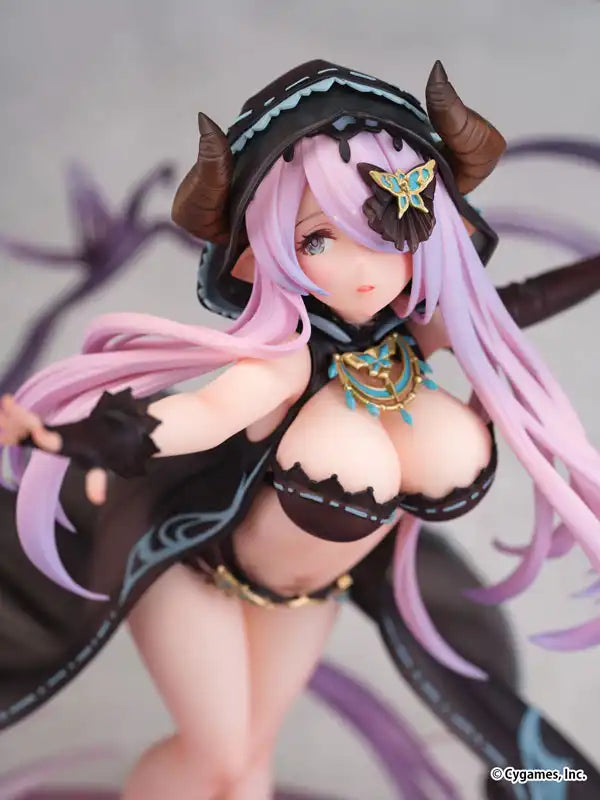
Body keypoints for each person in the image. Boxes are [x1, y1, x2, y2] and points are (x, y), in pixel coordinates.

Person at [1, 59, 599, 799]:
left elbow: (517, 304)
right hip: (194, 572)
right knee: (217, 760)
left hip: (307, 597)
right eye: (318, 239)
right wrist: (73, 438)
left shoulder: (420, 334)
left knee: (250, 764)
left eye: (388, 227)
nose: (364, 266)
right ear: (265, 252)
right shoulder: (285, 358)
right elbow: (199, 415)